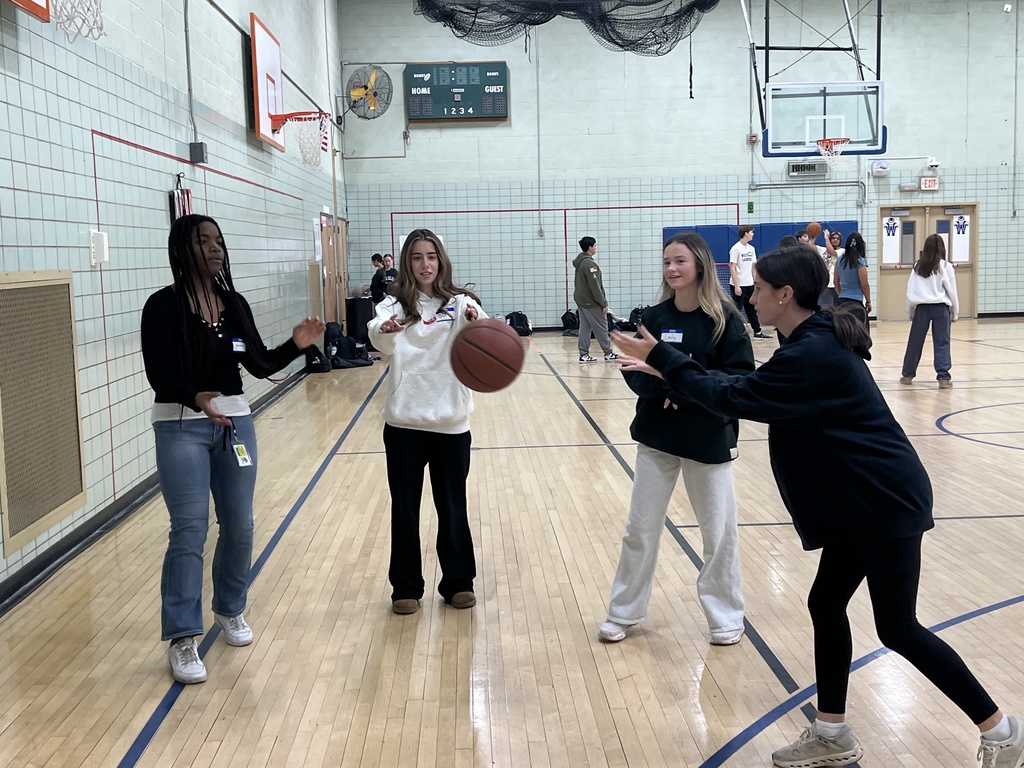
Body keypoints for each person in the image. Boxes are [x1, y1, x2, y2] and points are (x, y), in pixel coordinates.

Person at [610, 246, 1023, 768]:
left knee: (897, 627)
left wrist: (664, 361)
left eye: (758, 289)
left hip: (883, 502)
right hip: (859, 503)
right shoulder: (807, 342)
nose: (751, 296)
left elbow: (738, 396)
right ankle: (832, 734)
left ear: (784, 296)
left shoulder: (813, 355)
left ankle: (1002, 730)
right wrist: (668, 366)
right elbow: (738, 385)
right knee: (826, 604)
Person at [141, 214, 325, 685]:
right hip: (182, 425)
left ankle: (230, 609)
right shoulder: (161, 307)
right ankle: (182, 636)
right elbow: (159, 376)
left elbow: (260, 362)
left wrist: (297, 345)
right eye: (204, 241)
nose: (216, 248)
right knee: (189, 528)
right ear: (183, 249)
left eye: (219, 241)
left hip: (236, 424)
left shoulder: (233, 303)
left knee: (240, 523)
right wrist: (197, 397)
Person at [598, 232, 754, 646]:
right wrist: (664, 387)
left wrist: (677, 382)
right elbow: (635, 369)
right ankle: (624, 611)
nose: (671, 269)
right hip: (658, 436)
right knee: (640, 527)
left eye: (679, 261)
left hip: (707, 437)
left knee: (718, 534)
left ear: (699, 265)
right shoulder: (655, 316)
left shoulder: (724, 319)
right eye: (666, 261)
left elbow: (738, 379)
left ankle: (725, 615)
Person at [367, 228, 486, 615]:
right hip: (404, 425)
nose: (425, 264)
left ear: (441, 260)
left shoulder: (461, 302)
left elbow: (482, 332)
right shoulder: (393, 306)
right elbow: (377, 335)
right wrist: (383, 332)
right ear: (407, 262)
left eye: (431, 256)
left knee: (452, 506)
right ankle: (405, 586)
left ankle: (458, 582)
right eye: (417, 257)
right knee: (405, 508)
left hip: (450, 423)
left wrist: (474, 318)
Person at [901, 234, 959, 389]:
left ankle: (907, 375)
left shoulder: (917, 266)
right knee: (942, 343)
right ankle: (943, 378)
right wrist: (956, 311)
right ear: (942, 248)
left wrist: (910, 311)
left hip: (921, 308)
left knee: (915, 342)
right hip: (941, 308)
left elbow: (910, 290)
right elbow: (952, 291)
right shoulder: (946, 266)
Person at [573, 236, 619, 362]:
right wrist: (603, 303)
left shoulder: (580, 262)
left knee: (585, 327)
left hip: (581, 300)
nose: (596, 248)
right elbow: (595, 287)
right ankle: (608, 353)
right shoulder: (589, 264)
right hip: (590, 301)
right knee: (602, 327)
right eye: (595, 245)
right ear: (590, 247)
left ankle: (583, 354)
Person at [728, 225, 771, 339]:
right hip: (739, 284)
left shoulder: (751, 248)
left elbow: (753, 267)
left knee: (751, 309)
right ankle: (732, 332)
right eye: (751, 232)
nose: (753, 234)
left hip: (749, 284)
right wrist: (737, 286)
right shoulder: (736, 248)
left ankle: (757, 331)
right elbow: (732, 267)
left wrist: (756, 282)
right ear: (746, 233)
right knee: (736, 309)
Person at [833, 231, 871, 330]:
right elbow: (864, 285)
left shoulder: (839, 260)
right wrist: (868, 301)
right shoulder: (860, 261)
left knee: (844, 333)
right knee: (860, 334)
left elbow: (835, 282)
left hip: (841, 302)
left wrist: (841, 294)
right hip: (856, 303)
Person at [819, 229, 843, 307]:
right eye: (833, 238)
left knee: (838, 307)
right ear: (830, 240)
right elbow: (811, 246)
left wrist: (826, 238)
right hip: (826, 284)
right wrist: (813, 236)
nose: (835, 240)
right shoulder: (823, 250)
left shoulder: (842, 251)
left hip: (838, 284)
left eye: (837, 238)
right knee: (828, 307)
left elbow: (832, 252)